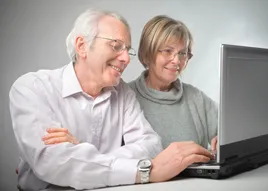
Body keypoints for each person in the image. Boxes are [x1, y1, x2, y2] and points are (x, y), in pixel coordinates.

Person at [9, 9, 214, 190]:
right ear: (82, 46)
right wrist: (145, 171)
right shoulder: (31, 88)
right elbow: (53, 165)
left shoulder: (122, 93)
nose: (126, 58)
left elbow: (151, 145)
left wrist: (82, 151)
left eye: (127, 49)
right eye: (116, 46)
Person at [129, 15, 219, 150]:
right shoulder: (126, 97)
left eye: (182, 53)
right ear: (147, 53)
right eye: (167, 51)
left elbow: (228, 130)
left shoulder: (196, 98)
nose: (176, 61)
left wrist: (223, 140)